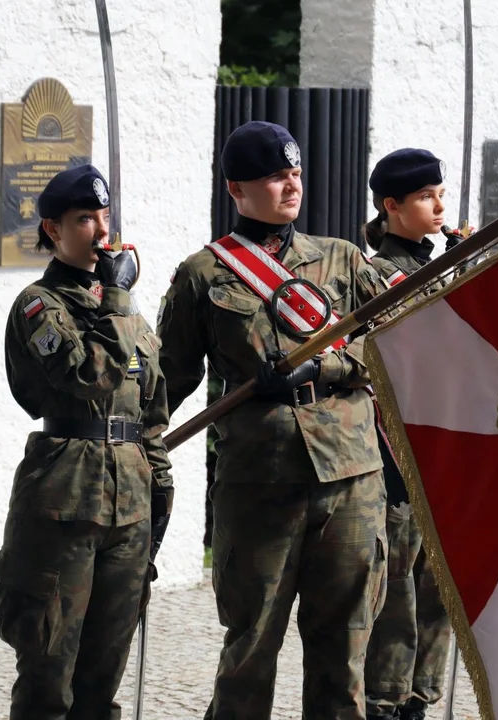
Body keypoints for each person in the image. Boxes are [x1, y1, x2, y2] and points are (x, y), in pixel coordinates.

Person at [157, 120, 389, 720]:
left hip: (350, 479)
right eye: (273, 176)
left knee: (344, 652)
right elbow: (166, 384)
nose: (291, 186)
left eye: (295, 173)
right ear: (237, 189)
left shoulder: (340, 260)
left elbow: (397, 341)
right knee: (250, 649)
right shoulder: (203, 275)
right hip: (259, 482)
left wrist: (329, 370)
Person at [0, 164, 174, 719]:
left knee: (102, 680)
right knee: (50, 677)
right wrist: (117, 299)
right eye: (83, 220)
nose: (100, 231)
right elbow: (85, 377)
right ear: (52, 230)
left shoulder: (130, 317)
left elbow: (152, 417)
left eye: (103, 216)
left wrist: (160, 497)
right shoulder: (40, 305)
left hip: (130, 512)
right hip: (65, 509)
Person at [362, 148, 455, 720]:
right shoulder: (377, 276)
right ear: (392, 206)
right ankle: (386, 701)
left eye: (441, 193)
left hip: (448, 454)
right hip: (399, 456)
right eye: (426, 196)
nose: (440, 204)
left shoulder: (445, 262)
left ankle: (423, 696)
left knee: (440, 590)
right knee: (397, 595)